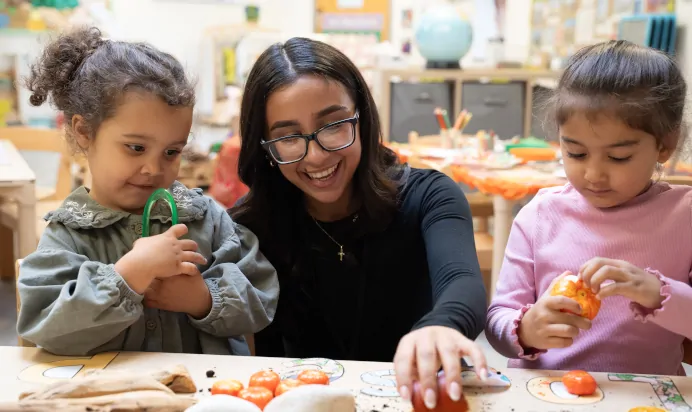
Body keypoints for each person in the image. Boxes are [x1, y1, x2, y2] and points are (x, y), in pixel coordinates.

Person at [230, 37, 487, 410]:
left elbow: (463, 283)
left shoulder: (429, 195)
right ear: (265, 147)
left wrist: (442, 326)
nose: (316, 156)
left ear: (362, 118)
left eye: (333, 125)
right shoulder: (251, 223)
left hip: (416, 398)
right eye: (288, 137)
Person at [16, 27, 279, 357]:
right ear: (84, 132)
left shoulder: (205, 218)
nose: (155, 169)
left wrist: (203, 299)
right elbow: (46, 327)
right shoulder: (68, 233)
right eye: (136, 148)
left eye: (171, 152)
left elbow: (262, 300)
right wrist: (127, 276)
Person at [486, 40, 692, 375]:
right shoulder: (540, 216)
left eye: (618, 157)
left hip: (645, 396)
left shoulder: (684, 216)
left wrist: (659, 293)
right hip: (548, 392)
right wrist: (525, 329)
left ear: (665, 144)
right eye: (576, 154)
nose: (594, 174)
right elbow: (497, 323)